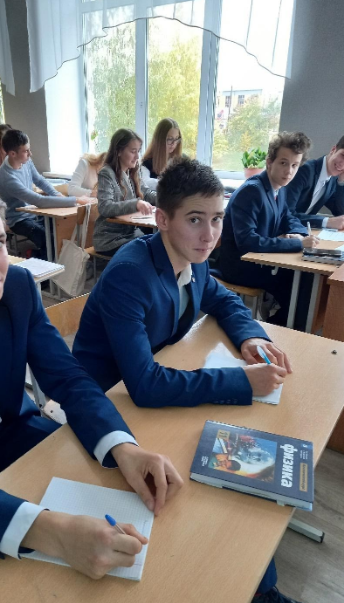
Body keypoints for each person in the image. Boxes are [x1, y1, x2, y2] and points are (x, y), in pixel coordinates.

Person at [0, 174, 183, 579]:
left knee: (120, 498)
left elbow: (69, 380)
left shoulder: (18, 287)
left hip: (9, 440)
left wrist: (124, 448)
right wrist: (54, 533)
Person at [73, 156, 299, 603]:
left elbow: (224, 300)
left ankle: (259, 587)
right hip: (109, 405)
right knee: (204, 491)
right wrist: (242, 383)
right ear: (163, 220)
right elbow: (145, 385)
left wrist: (251, 337)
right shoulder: (130, 274)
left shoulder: (192, 260)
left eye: (217, 219)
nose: (210, 234)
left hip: (151, 395)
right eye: (195, 220)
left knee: (233, 472)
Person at [218, 132, 319, 328]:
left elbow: (287, 216)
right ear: (269, 162)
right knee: (300, 284)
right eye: (283, 163)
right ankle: (282, 329)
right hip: (241, 266)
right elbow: (247, 242)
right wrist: (297, 243)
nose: (289, 171)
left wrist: (302, 234)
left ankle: (284, 326)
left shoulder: (279, 188)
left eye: (294, 165)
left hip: (262, 260)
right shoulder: (252, 191)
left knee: (306, 281)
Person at [0, 129, 92, 259]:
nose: (30, 154)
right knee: (50, 240)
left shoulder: (25, 161)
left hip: (35, 213)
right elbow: (39, 201)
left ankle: (49, 259)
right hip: (20, 220)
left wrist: (57, 194)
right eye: (26, 151)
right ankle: (38, 263)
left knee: (62, 230)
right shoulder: (7, 178)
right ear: (13, 154)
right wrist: (75, 199)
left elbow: (40, 180)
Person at [93, 128, 156, 256]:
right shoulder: (107, 173)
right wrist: (136, 204)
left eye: (138, 151)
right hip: (110, 239)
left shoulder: (133, 171)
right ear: (119, 151)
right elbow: (105, 207)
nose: (137, 156)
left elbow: (147, 194)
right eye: (133, 151)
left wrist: (169, 199)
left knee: (157, 244)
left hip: (130, 234)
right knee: (149, 251)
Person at [285, 135, 344, 229]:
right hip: (280, 231)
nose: (342, 164)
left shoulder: (332, 180)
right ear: (333, 149)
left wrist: (341, 182)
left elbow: (340, 213)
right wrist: (326, 221)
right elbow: (286, 214)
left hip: (301, 231)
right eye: (343, 156)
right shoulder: (304, 171)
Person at [141, 118, 182, 182]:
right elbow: (145, 182)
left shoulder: (180, 160)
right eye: (170, 139)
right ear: (159, 140)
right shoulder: (147, 163)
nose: (174, 143)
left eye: (176, 139)